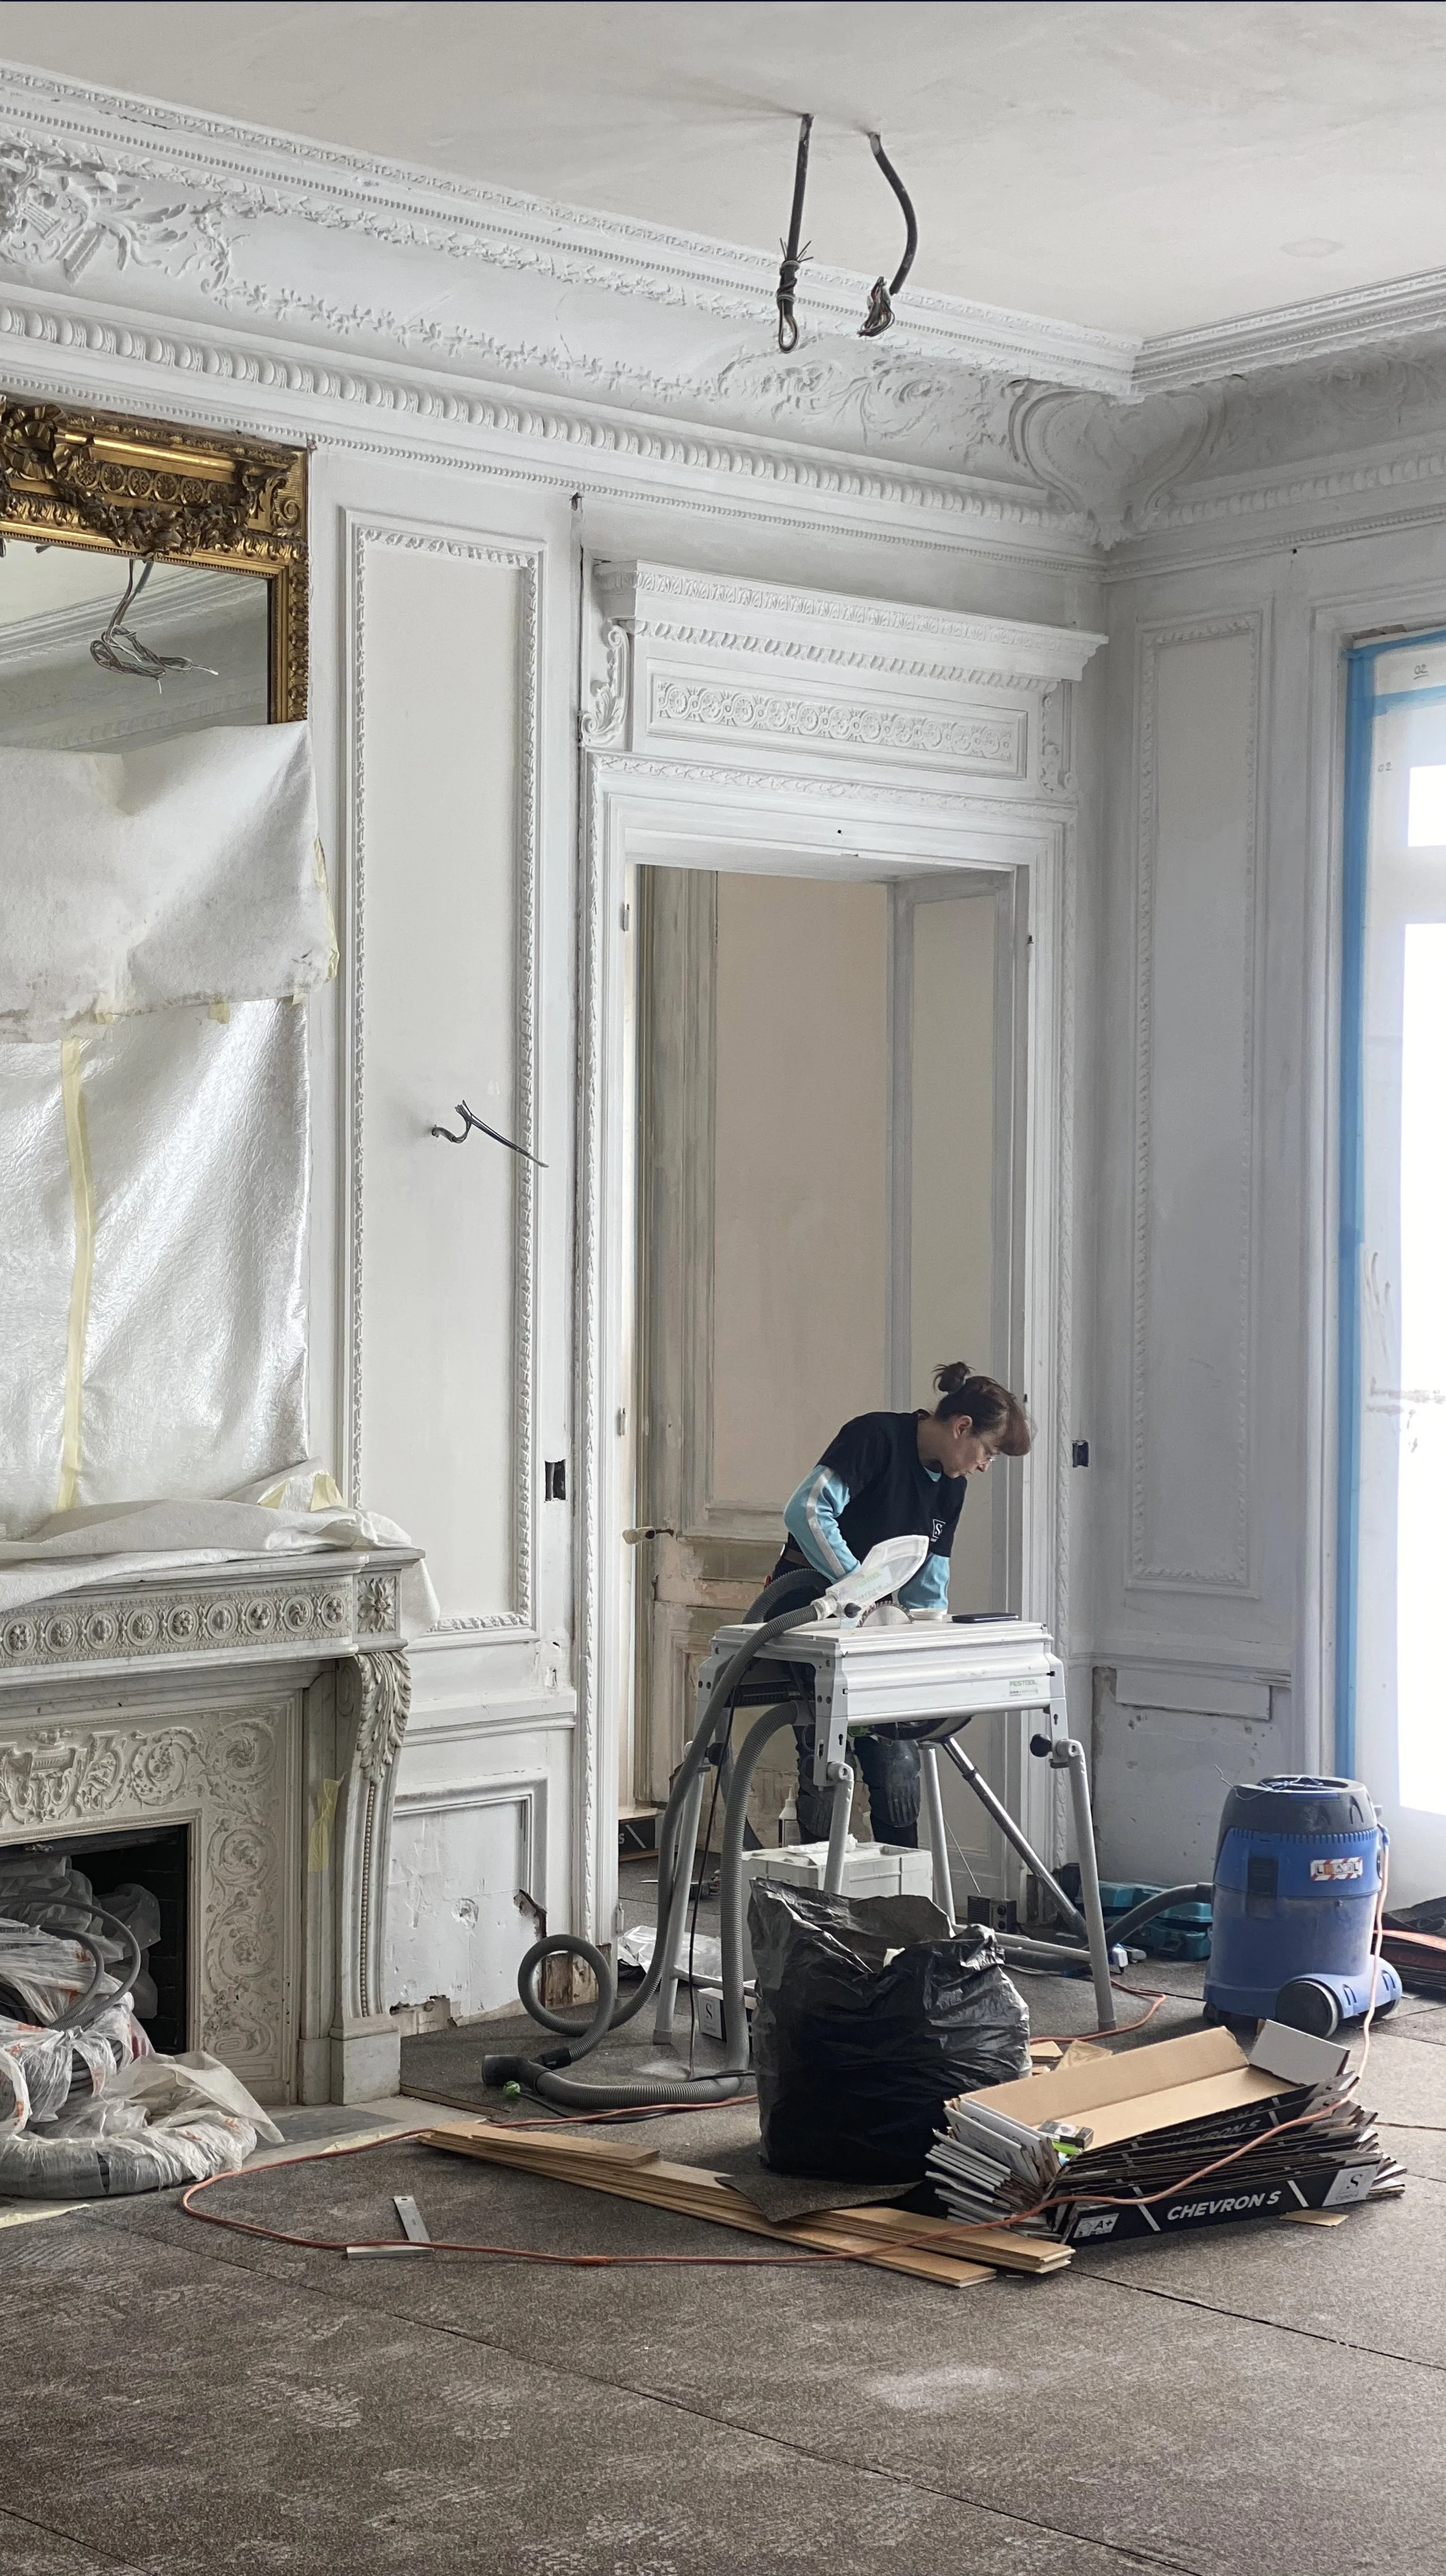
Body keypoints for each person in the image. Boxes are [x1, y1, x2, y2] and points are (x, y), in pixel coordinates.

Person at [761, 1364, 1032, 1847]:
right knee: (827, 1758)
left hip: (875, 1626)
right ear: (962, 1426)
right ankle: (810, 1901)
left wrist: (932, 1646)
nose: (985, 1464)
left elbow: (930, 1577)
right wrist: (858, 1588)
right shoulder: (875, 1437)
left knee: (898, 1761)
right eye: (987, 1451)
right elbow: (806, 1510)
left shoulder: (951, 1484)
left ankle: (902, 1898)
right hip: (809, 1611)